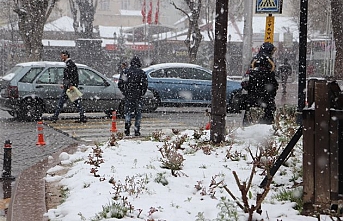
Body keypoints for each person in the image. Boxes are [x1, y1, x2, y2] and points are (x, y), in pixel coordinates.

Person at [243, 42, 279, 126]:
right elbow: (273, 82)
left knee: (250, 118)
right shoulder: (270, 61)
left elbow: (247, 80)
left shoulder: (255, 60)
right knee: (267, 120)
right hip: (267, 96)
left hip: (253, 96)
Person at [50, 50, 86, 123]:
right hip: (69, 87)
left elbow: (71, 77)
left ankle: (55, 117)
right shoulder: (69, 64)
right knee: (76, 102)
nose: (61, 57)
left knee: (62, 102)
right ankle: (82, 116)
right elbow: (69, 77)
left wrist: (70, 85)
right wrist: (65, 85)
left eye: (62, 56)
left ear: (66, 56)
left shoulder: (70, 64)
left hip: (69, 87)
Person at [118, 56, 148, 136]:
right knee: (138, 113)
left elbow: (120, 83)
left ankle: (127, 123)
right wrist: (142, 93)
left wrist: (125, 92)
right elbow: (145, 85)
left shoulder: (125, 72)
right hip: (138, 95)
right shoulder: (141, 73)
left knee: (128, 111)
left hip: (128, 95)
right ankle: (136, 129)